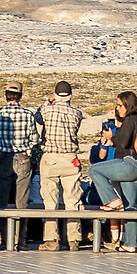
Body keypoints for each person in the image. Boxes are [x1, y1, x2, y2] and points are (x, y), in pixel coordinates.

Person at [0, 83, 41, 251]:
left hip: (3, 158)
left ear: (5, 95)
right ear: (20, 96)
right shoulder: (28, 114)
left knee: (2, 202)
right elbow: (35, 139)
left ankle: (4, 239)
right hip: (23, 157)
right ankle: (21, 240)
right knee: (22, 201)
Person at [89, 91, 137, 251]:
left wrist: (111, 136)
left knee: (94, 170)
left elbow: (122, 142)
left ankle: (111, 200)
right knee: (130, 206)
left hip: (130, 163)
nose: (117, 108)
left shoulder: (130, 120)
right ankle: (130, 243)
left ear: (128, 105)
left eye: (120, 105)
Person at [39, 81, 87, 251]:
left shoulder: (47, 110)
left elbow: (38, 117)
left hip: (51, 157)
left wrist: (48, 100)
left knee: (50, 200)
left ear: (56, 95)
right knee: (72, 199)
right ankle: (74, 238)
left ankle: (52, 239)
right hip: (70, 158)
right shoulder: (77, 113)